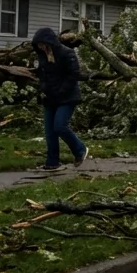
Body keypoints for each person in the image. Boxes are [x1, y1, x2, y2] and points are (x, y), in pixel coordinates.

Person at [33, 27, 89, 172]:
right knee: (50, 132)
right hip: (50, 98)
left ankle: (80, 150)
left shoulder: (67, 53)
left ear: (49, 42)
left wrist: (60, 91)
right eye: (38, 45)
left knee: (60, 126)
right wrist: (43, 89)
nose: (41, 47)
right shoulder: (42, 56)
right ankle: (52, 162)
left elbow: (73, 75)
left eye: (42, 44)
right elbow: (42, 76)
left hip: (67, 97)